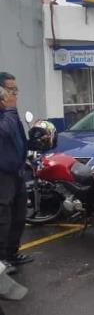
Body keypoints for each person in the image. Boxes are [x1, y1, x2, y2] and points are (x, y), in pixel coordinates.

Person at [0, 72, 31, 276]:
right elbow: (4, 132)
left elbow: (18, 137)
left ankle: (12, 253)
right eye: (12, 90)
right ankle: (1, 260)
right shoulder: (8, 113)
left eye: (16, 90)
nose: (15, 94)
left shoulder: (11, 112)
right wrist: (10, 109)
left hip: (17, 169)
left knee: (19, 215)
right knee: (3, 217)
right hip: (2, 174)